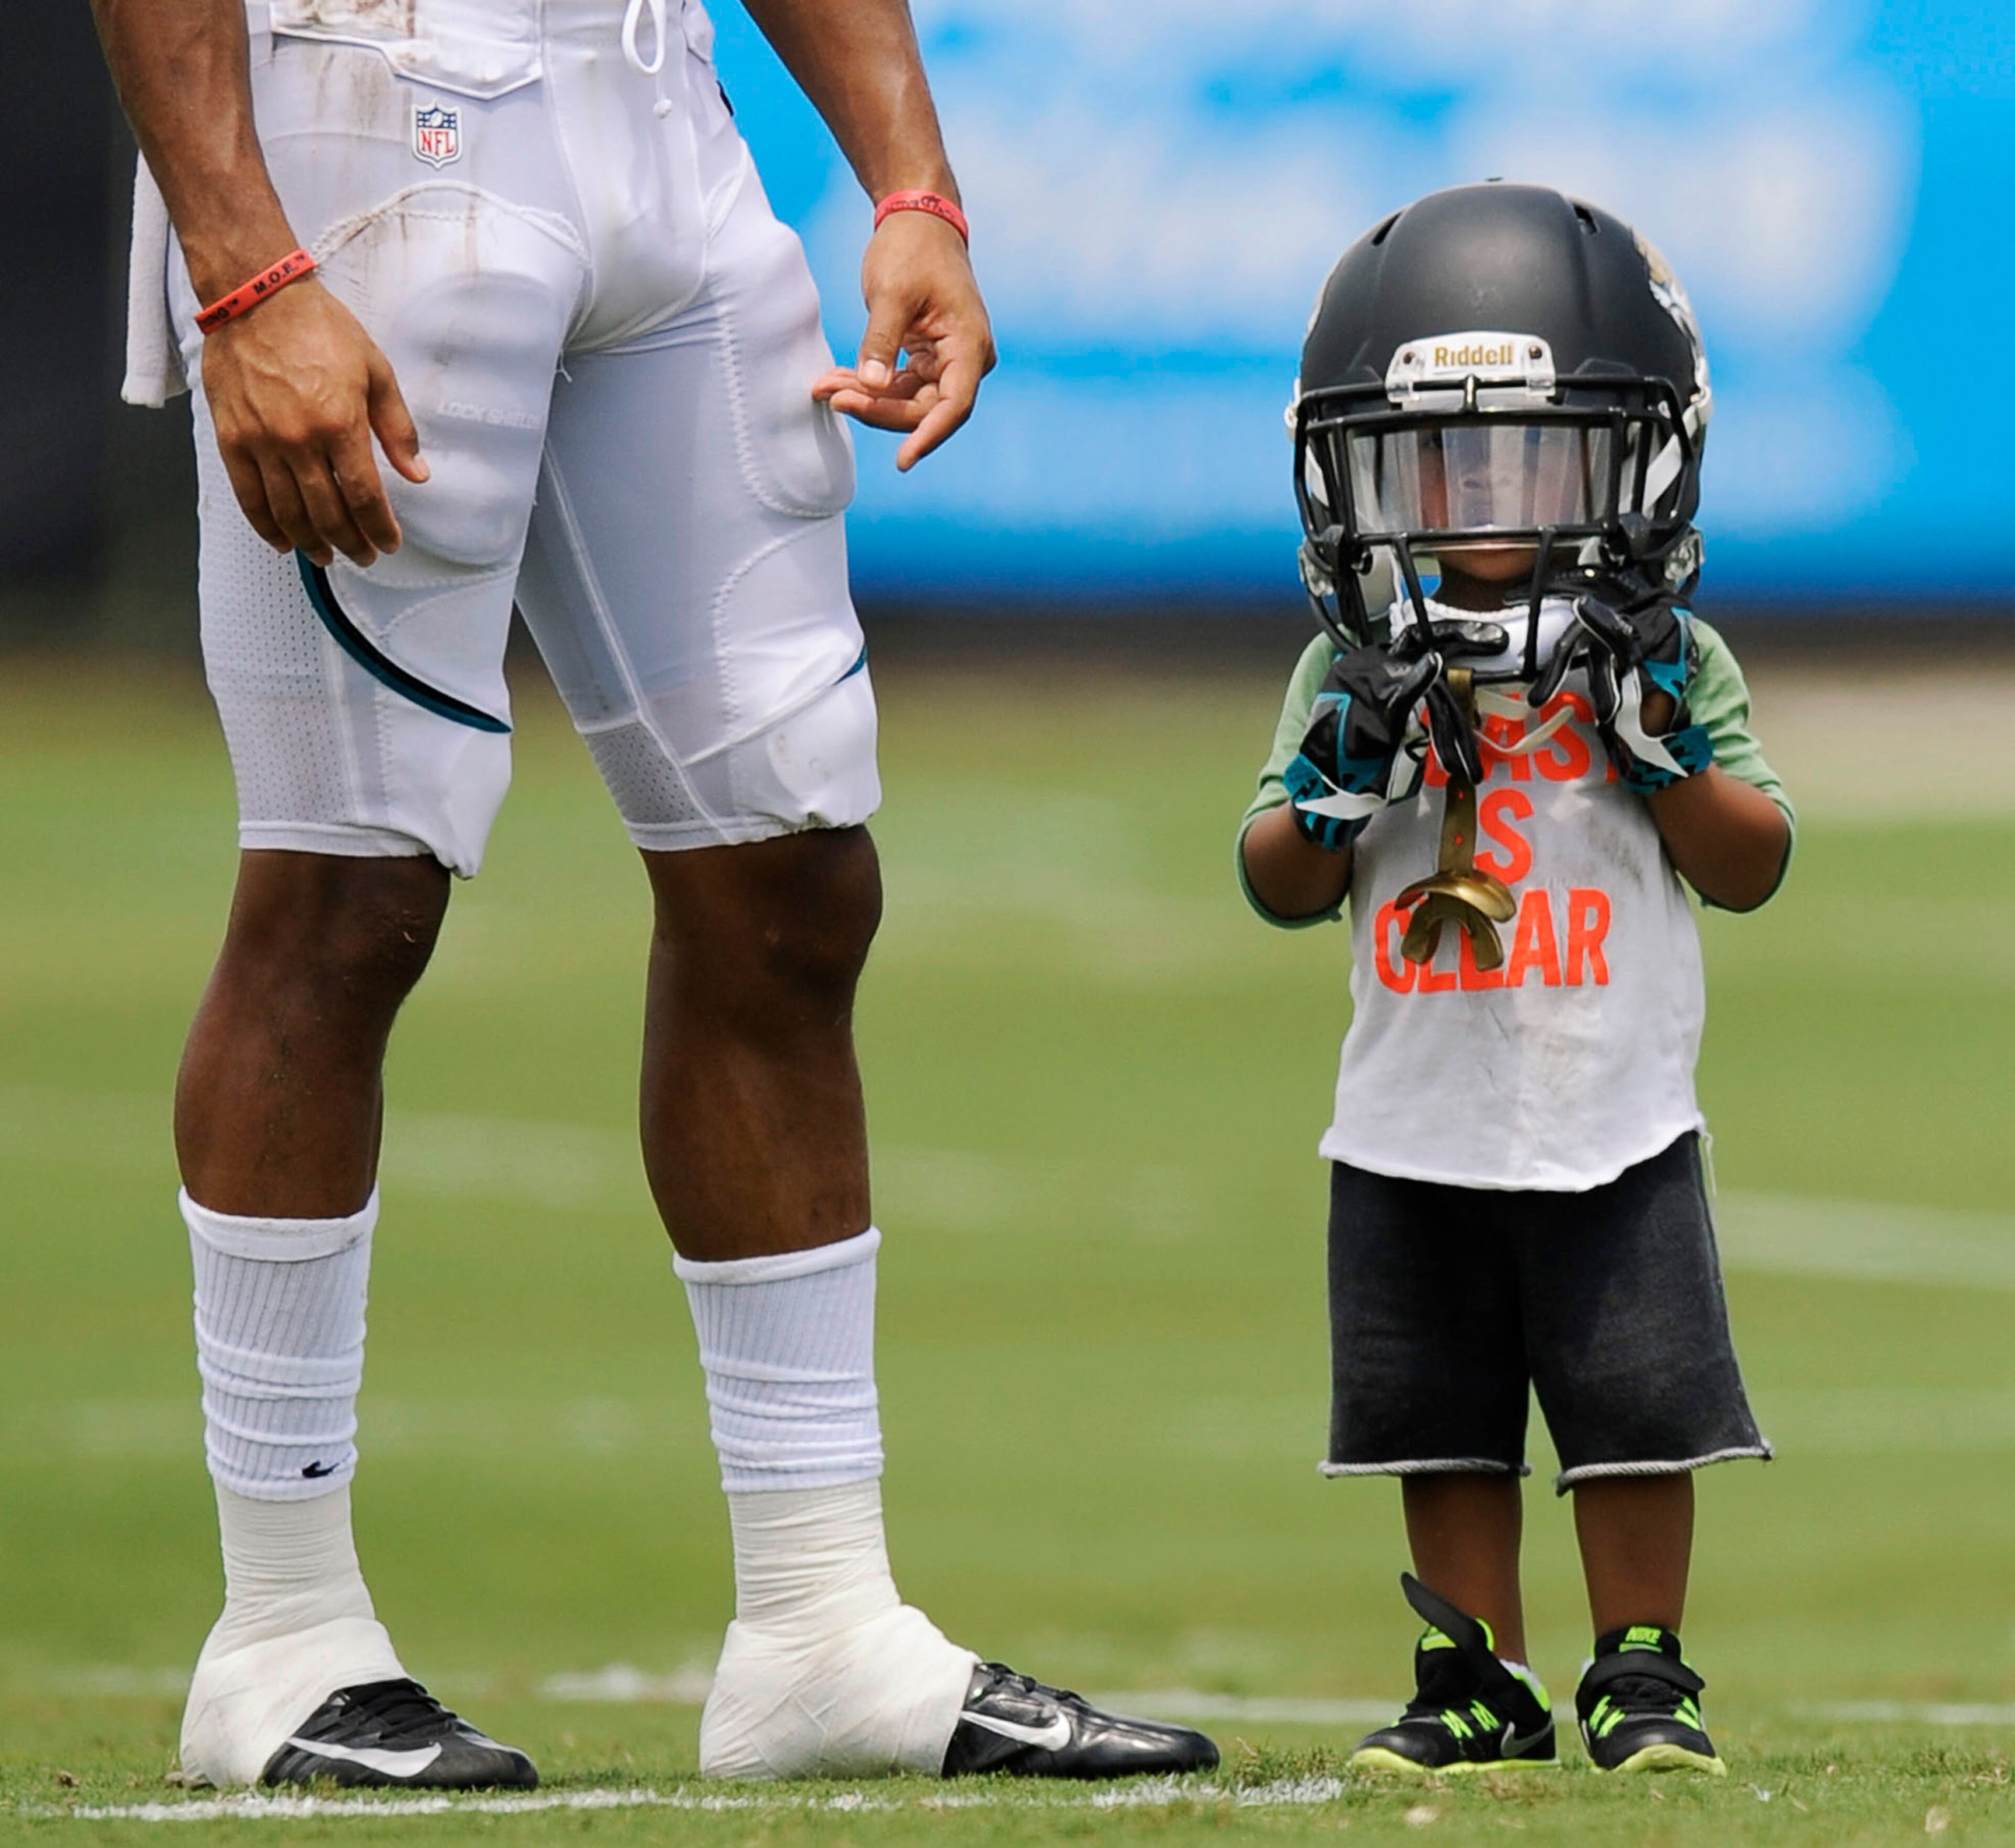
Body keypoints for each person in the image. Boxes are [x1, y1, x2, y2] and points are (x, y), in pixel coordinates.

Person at [90, 0, 1218, 1791]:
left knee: (789, 872)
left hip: (657, 111)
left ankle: (819, 1621)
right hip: (364, 114)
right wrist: (237, 263)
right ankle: (284, 1630)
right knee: (347, 883)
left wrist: (913, 183)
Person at [1236, 183, 1794, 1777]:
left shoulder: (1671, 653)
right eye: (1436, 462)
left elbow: (1751, 858)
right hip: (1415, 1117)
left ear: (1637, 460)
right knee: (1442, 1415)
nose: (1480, 499)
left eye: (1529, 454)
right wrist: (1342, 774)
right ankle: (1473, 1665)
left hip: (1613, 1111)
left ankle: (1642, 1664)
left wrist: (1658, 747)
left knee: (1635, 1407)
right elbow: (1277, 875)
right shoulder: (1350, 661)